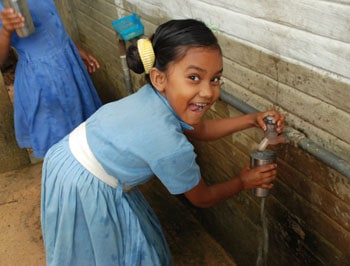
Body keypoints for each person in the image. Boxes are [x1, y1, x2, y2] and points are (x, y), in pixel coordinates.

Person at [41, 18, 285, 265]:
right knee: (105, 253)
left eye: (215, 79)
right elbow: (202, 198)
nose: (208, 92)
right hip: (85, 185)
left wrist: (252, 119)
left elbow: (199, 130)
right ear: (159, 78)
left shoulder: (154, 97)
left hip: (65, 157)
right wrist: (243, 181)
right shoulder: (170, 146)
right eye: (194, 77)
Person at [0, 0, 102, 158]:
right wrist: (6, 30)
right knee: (60, 144)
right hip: (43, 82)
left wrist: (76, 49)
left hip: (69, 65)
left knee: (84, 133)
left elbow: (53, 24)